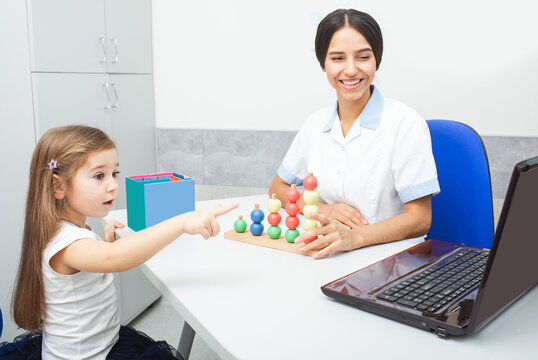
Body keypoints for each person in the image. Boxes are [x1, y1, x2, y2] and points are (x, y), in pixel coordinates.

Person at [4, 125, 237, 359]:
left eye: (114, 173)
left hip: (104, 344)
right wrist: (181, 223)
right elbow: (114, 258)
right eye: (99, 176)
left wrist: (105, 245)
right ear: (59, 186)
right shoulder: (66, 243)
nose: (113, 185)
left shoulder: (73, 231)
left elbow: (97, 262)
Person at [268, 9, 439, 259]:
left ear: (376, 60)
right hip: (324, 254)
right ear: (323, 64)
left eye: (362, 57)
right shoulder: (314, 125)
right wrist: (320, 210)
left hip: (387, 260)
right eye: (337, 58)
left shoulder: (405, 122)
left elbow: (420, 219)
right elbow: (277, 187)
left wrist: (355, 237)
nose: (350, 70)